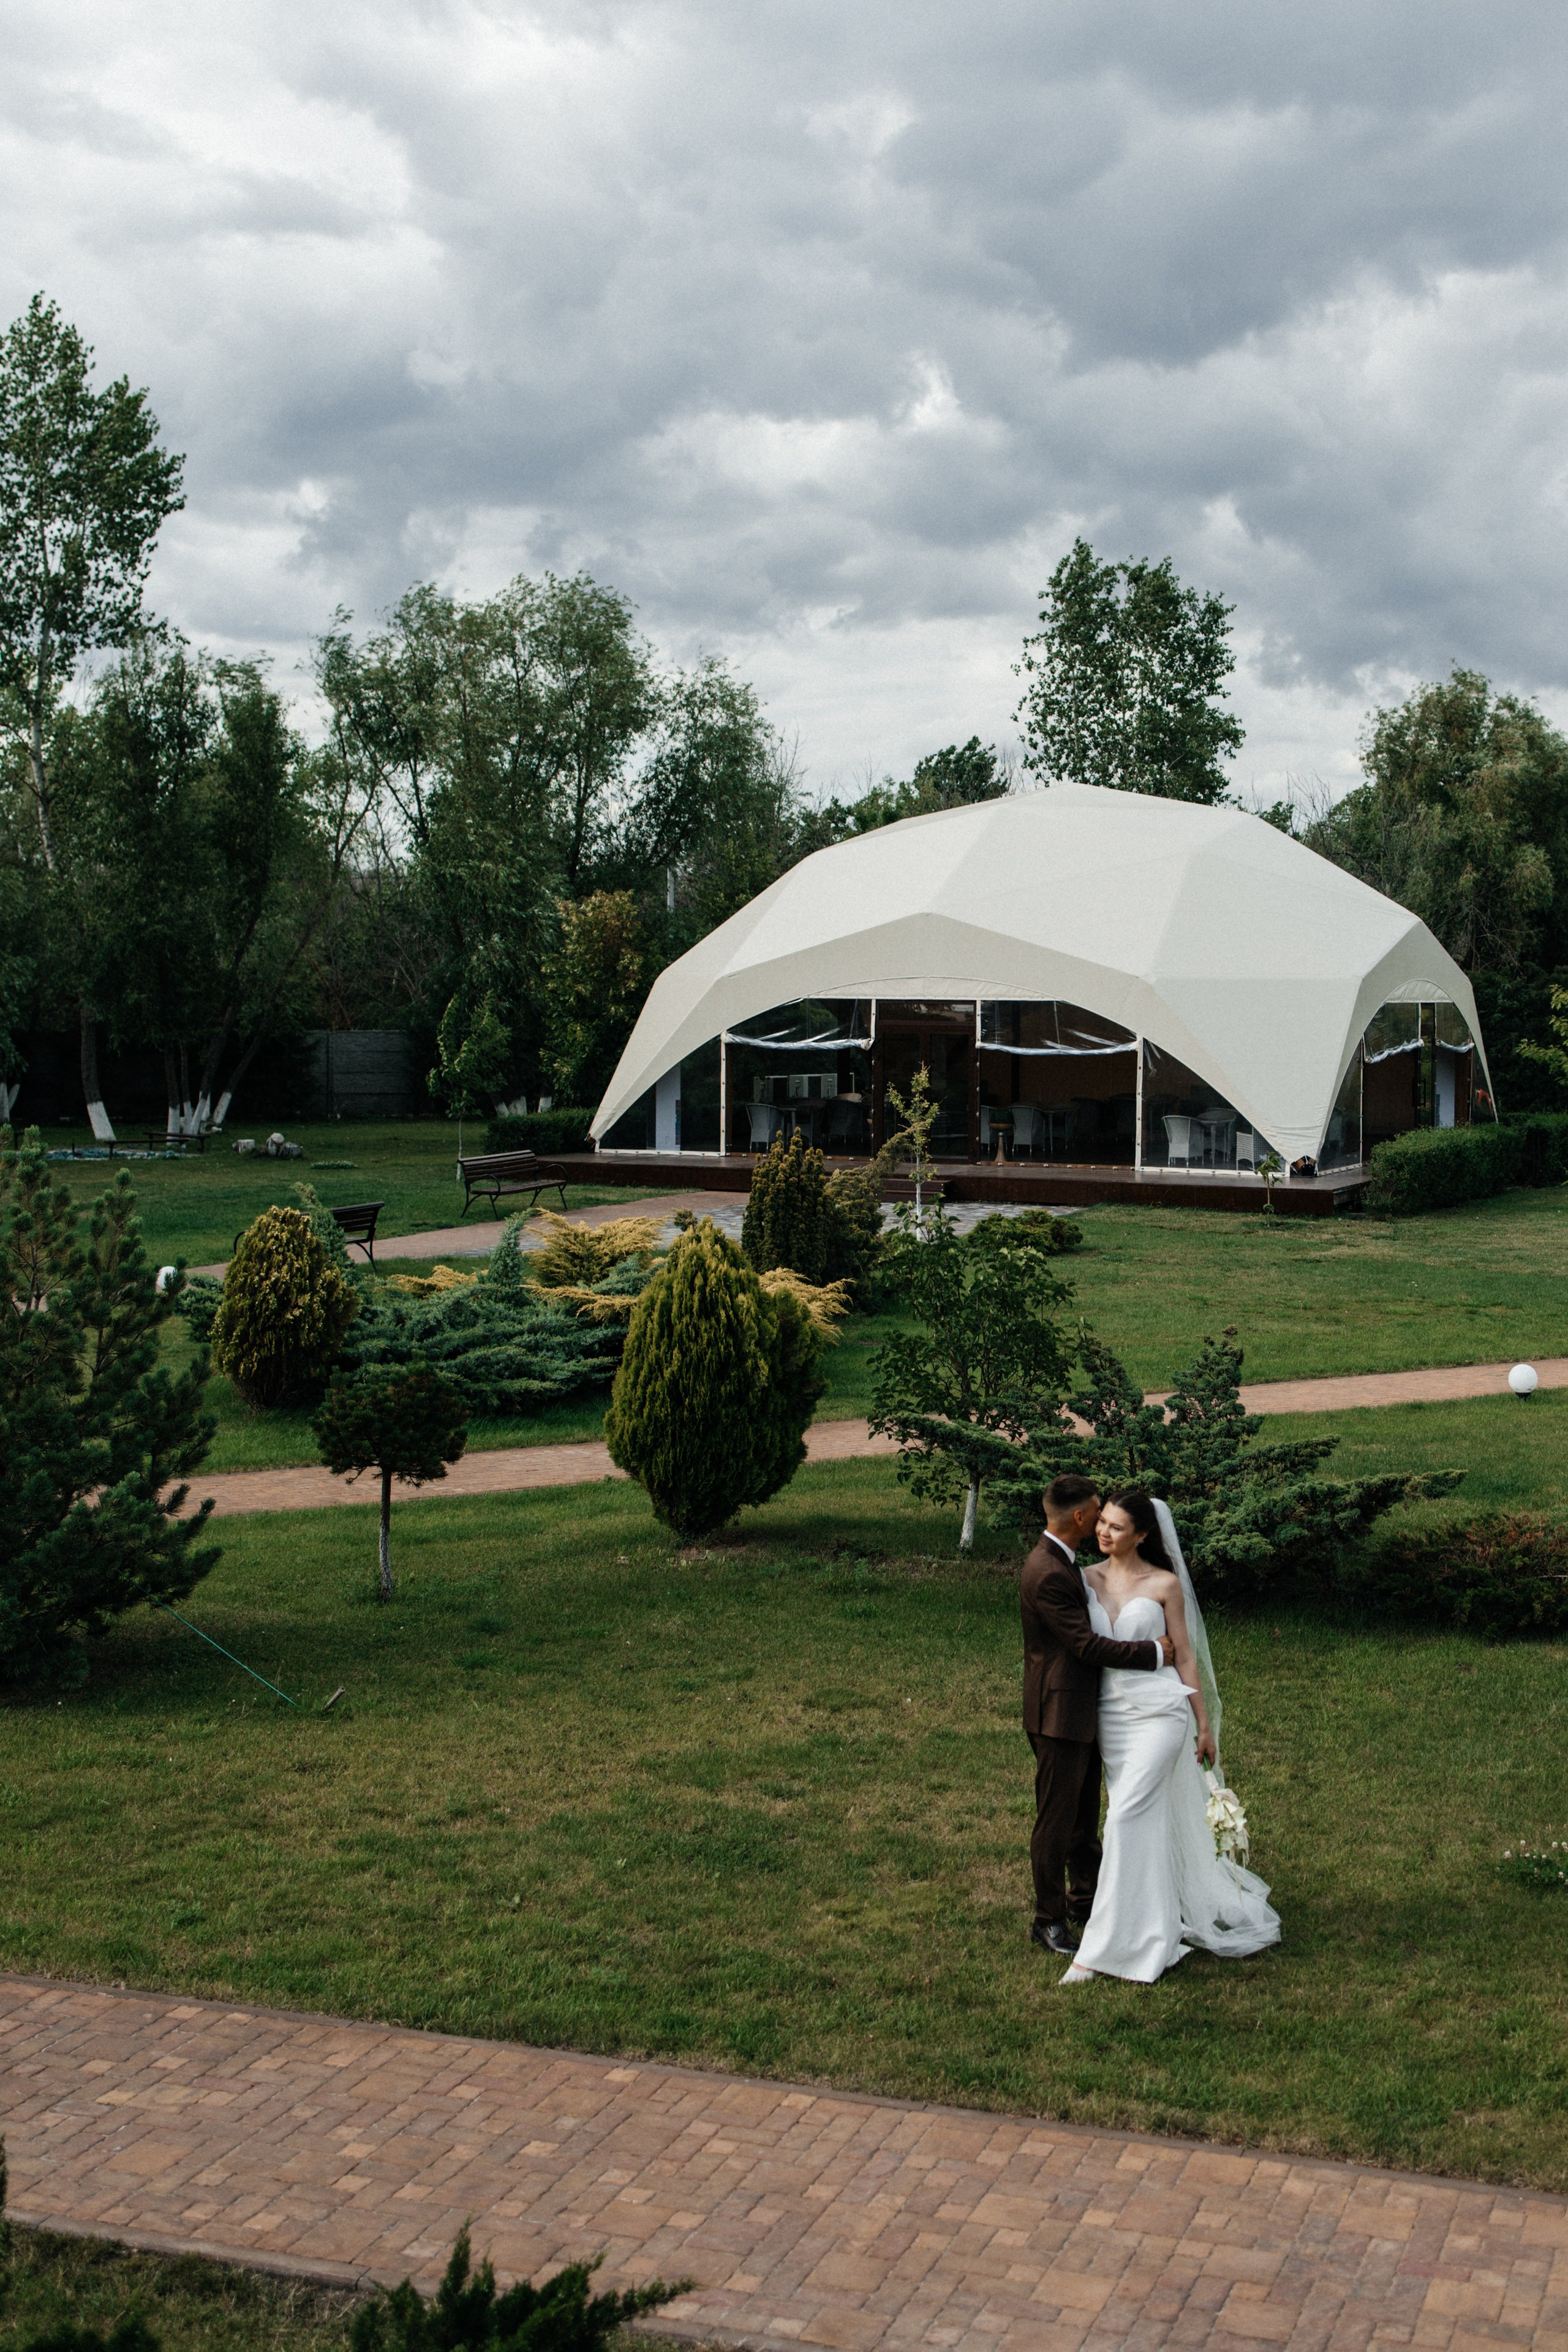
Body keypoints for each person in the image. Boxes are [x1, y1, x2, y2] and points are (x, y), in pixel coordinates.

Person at [1062, 1488, 1281, 1985]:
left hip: (1161, 1716)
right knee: (1142, 1825)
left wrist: (1203, 1723)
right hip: (1110, 1718)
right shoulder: (1084, 1579)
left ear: (1142, 1535)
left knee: (1122, 1820)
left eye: (1116, 1527)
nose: (1104, 1532)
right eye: (1103, 1524)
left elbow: (1184, 1656)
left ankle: (1098, 1950)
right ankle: (1157, 1927)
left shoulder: (1163, 1584)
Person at [1020, 1474, 1174, 1957]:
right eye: (1098, 1513)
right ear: (1082, 1518)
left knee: (1083, 1819)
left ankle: (1086, 1901)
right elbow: (1084, 1646)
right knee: (1057, 1820)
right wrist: (1153, 1653)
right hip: (1059, 1713)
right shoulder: (1048, 1572)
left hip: (1084, 1708)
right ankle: (1048, 1921)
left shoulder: (1065, 1562)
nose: (1104, 1523)